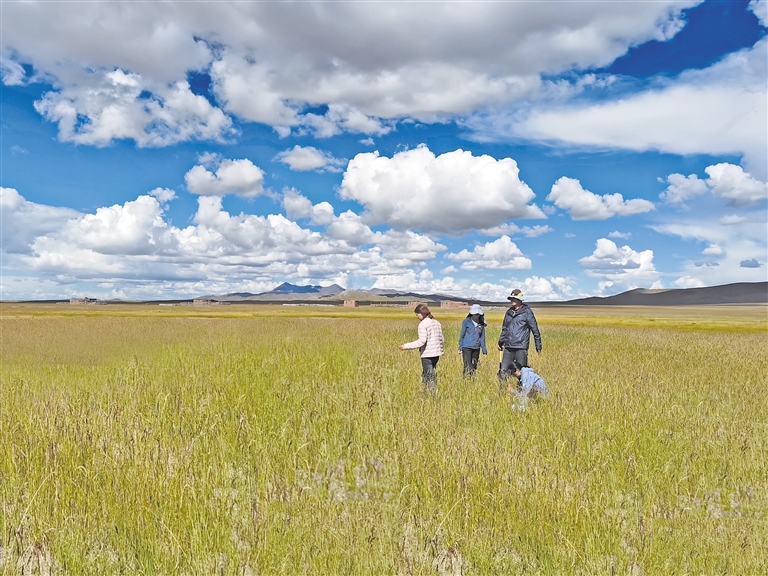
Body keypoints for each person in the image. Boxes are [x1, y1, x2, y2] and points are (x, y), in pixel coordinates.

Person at [498, 289, 542, 385]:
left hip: (521, 347)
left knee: (522, 373)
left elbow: (535, 329)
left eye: (514, 298)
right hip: (508, 347)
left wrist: (538, 345)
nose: (512, 300)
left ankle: (522, 393)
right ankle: (502, 393)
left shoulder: (527, 312)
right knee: (503, 371)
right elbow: (505, 329)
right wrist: (500, 342)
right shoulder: (509, 312)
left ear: (519, 300)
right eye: (511, 298)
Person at [399, 303, 445, 394]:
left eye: (417, 315)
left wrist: (405, 346)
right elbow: (442, 338)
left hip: (427, 354)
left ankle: (433, 396)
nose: (417, 317)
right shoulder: (436, 322)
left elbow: (421, 341)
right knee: (426, 375)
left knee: (429, 376)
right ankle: (424, 393)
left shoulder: (423, 324)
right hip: (437, 354)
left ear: (420, 314)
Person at [457, 304, 487, 376]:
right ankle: (465, 381)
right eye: (475, 313)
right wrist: (460, 347)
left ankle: (472, 380)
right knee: (467, 365)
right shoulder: (466, 321)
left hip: (476, 347)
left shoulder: (481, 324)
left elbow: (482, 338)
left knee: (474, 366)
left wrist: (484, 350)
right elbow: (462, 335)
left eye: (478, 313)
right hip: (466, 347)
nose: (477, 315)